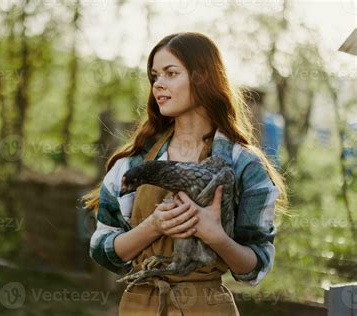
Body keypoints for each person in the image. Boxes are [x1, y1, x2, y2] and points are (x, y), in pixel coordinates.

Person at [81, 32, 288, 316]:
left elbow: (254, 268)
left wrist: (216, 237)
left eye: (170, 73)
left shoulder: (245, 166)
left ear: (203, 77)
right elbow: (103, 250)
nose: (158, 85)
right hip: (140, 307)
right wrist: (153, 226)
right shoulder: (132, 164)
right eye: (155, 76)